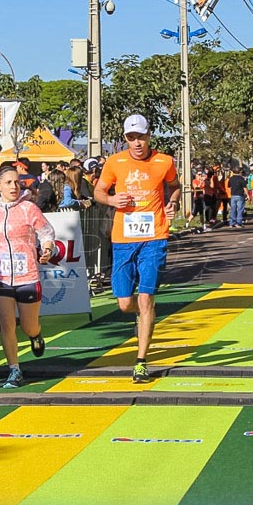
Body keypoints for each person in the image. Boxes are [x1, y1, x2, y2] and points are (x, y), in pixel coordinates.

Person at [93, 114, 181, 383]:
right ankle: (143, 317)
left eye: (141, 136)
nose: (137, 142)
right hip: (123, 239)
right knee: (124, 304)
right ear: (125, 139)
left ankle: (141, 361)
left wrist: (173, 202)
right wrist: (111, 199)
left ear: (149, 136)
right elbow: (98, 191)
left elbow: (175, 187)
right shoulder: (114, 162)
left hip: (155, 236)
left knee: (145, 299)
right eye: (132, 138)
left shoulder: (164, 161)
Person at [0, 166, 55, 388]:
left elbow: (46, 232)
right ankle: (14, 370)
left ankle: (36, 336)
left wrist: (46, 248)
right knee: (6, 324)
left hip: (27, 275)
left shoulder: (29, 209)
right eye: (8, 183)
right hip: (0, 275)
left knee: (29, 326)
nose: (13, 186)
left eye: (16, 182)